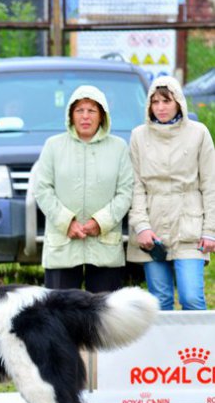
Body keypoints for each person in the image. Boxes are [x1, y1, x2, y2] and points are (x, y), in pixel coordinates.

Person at [29, 85, 133, 292]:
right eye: (79, 110)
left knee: (105, 315)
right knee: (59, 316)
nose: (85, 116)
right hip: (63, 243)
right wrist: (66, 222)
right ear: (70, 115)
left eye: (92, 110)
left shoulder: (119, 147)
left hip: (105, 244)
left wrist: (101, 222)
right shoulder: (53, 146)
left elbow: (126, 191)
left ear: (102, 116)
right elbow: (42, 188)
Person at [127, 75, 215, 310]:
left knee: (191, 297)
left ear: (178, 102)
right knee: (160, 300)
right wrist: (141, 226)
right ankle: (162, 348)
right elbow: (135, 186)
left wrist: (210, 231)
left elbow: (210, 185)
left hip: (189, 226)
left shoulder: (198, 133)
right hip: (152, 226)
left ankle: (199, 347)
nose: (160, 107)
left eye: (166, 101)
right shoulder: (138, 136)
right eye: (155, 102)